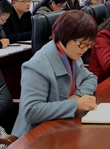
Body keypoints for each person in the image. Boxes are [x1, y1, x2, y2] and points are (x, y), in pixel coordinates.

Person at [12, 10, 98, 138]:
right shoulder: (37, 66)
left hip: (60, 126)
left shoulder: (71, 55)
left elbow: (90, 78)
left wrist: (77, 96)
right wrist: (75, 105)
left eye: (89, 44)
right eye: (81, 43)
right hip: (34, 137)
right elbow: (31, 111)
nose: (85, 49)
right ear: (64, 36)